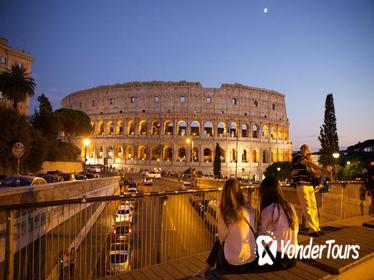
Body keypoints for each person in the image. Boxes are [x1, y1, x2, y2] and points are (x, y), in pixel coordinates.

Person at [194, 178, 257, 278]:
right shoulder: (248, 209)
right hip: (251, 261)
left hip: (233, 265)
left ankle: (206, 271)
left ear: (224, 193)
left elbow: (221, 238)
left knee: (219, 243)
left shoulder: (224, 212)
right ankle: (208, 271)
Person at [258, 176, 299, 269]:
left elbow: (262, 237)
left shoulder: (268, 210)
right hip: (292, 257)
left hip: (277, 259)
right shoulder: (289, 206)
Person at [291, 144, 331, 237]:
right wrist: (322, 168)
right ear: (301, 149)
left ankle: (316, 227)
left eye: (308, 150)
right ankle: (312, 229)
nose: (307, 152)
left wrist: (324, 172)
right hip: (302, 185)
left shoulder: (307, 162)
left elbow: (314, 173)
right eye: (306, 149)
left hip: (309, 185)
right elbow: (308, 163)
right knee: (307, 207)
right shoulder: (297, 157)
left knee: (313, 207)